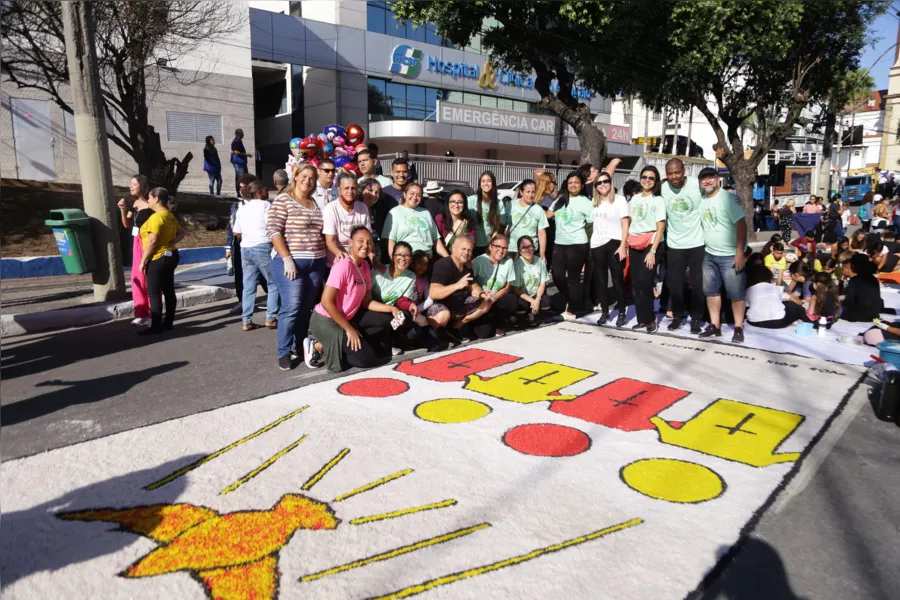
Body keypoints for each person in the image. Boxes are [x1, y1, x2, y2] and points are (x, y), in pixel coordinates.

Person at [305, 226, 408, 372]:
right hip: (328, 319)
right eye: (361, 241)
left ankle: (354, 343)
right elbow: (326, 302)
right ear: (351, 242)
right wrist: (348, 329)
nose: (365, 246)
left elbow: (367, 302)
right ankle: (318, 345)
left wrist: (392, 308)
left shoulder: (365, 265)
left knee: (387, 320)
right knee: (367, 360)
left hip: (348, 318)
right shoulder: (343, 265)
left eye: (369, 242)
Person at [267, 164, 327, 371]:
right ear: (296, 176)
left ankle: (299, 346)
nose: (307, 181)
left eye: (311, 178)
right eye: (304, 176)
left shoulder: (315, 203)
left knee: (305, 309)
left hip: (315, 263)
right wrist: (286, 258)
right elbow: (273, 231)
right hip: (290, 262)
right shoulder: (284, 199)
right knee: (291, 307)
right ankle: (284, 352)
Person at [697, 167, 747, 342]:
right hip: (709, 254)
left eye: (711, 178)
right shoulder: (702, 198)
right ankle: (715, 326)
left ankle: (739, 327)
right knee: (711, 292)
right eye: (704, 179)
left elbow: (741, 224)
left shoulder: (727, 198)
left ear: (718, 179)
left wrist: (740, 251)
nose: (707, 181)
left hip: (730, 255)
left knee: (736, 293)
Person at [662, 158, 706, 332]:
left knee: (697, 284)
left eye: (677, 172)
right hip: (674, 244)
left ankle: (696, 318)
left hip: (697, 242)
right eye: (670, 173)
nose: (674, 176)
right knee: (675, 284)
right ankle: (678, 316)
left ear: (684, 170)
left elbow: (713, 195)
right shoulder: (663, 187)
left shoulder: (696, 184)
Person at [426, 235, 495, 343]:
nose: (466, 253)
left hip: (459, 308)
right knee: (443, 315)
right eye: (463, 249)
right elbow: (433, 292)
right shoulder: (443, 264)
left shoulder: (467, 268)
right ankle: (436, 334)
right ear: (453, 248)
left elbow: (474, 288)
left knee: (487, 302)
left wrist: (483, 294)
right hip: (441, 309)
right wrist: (456, 285)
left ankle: (455, 328)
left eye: (469, 250)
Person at [546, 172, 594, 321]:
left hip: (578, 243)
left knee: (573, 278)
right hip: (560, 243)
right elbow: (547, 215)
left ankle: (572, 310)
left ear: (581, 185)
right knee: (558, 276)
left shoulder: (586, 202)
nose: (573, 185)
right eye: (570, 182)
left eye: (576, 182)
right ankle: (573, 300)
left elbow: (592, 224)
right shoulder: (561, 199)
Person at [138, 187, 184, 335]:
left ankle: (156, 326)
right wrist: (172, 242)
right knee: (168, 289)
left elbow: (152, 241)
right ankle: (168, 322)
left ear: (157, 199)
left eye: (150, 198)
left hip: (158, 257)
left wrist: (143, 260)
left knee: (153, 292)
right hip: (171, 255)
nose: (149, 200)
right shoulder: (169, 215)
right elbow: (182, 232)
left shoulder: (156, 217)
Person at [234, 180, 279, 330]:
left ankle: (246, 320)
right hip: (262, 245)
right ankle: (271, 318)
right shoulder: (266, 205)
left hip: (245, 248)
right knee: (273, 283)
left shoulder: (242, 208)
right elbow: (272, 226)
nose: (267, 192)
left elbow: (236, 231)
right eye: (266, 189)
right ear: (259, 191)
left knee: (248, 286)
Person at [627, 166, 666, 332]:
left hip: (652, 242)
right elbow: (629, 222)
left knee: (645, 280)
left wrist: (653, 251)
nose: (647, 180)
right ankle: (642, 318)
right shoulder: (634, 199)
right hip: (635, 241)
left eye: (651, 178)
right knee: (636, 283)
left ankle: (651, 319)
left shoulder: (658, 200)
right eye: (644, 177)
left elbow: (661, 227)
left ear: (655, 181)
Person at [589, 170, 630, 326]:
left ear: (611, 183)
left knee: (618, 279)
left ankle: (621, 312)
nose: (602, 185)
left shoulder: (619, 200)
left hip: (614, 243)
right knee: (601, 281)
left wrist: (622, 246)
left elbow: (625, 224)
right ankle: (605, 311)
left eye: (605, 181)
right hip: (597, 244)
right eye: (599, 183)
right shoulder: (594, 202)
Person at [117, 174, 152, 326]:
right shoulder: (134, 204)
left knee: (148, 278)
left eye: (133, 184)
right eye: (130, 184)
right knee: (136, 278)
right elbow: (127, 224)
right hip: (136, 243)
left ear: (141, 186)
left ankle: (152, 313)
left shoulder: (151, 206)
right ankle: (141, 312)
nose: (130, 187)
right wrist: (123, 210)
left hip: (147, 243)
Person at [371, 241, 418, 355]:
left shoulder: (411, 276)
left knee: (405, 316)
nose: (403, 258)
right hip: (373, 309)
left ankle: (392, 341)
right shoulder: (378, 272)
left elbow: (402, 300)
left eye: (406, 255)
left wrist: (410, 305)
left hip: (392, 311)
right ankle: (380, 343)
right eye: (399, 255)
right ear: (393, 256)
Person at [383, 183, 448, 259]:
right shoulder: (395, 212)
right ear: (404, 194)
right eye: (412, 194)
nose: (415, 197)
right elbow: (390, 240)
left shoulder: (426, 213)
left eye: (419, 195)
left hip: (426, 259)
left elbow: (435, 239)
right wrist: (394, 261)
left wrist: (448, 258)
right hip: (405, 260)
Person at [322, 173, 372, 269]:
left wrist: (374, 261)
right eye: (346, 188)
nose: (350, 191)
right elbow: (330, 241)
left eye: (353, 188)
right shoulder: (331, 208)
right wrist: (341, 255)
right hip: (337, 264)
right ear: (339, 190)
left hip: (359, 262)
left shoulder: (363, 207)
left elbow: (368, 238)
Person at [472, 233, 520, 332]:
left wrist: (493, 298)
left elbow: (507, 287)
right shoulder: (479, 261)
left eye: (504, 248)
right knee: (484, 333)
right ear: (490, 246)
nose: (501, 250)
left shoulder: (508, 261)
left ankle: (499, 320)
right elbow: (471, 283)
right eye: (497, 246)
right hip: (480, 299)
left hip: (496, 298)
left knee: (512, 300)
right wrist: (482, 296)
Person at [512, 235, 552, 326]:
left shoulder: (540, 262)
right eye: (523, 247)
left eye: (529, 246)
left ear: (534, 247)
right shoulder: (517, 264)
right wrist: (532, 301)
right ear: (519, 250)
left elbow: (542, 283)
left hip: (534, 294)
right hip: (522, 295)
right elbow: (516, 289)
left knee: (547, 302)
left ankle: (531, 313)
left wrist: (537, 299)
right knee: (521, 306)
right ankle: (516, 315)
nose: (527, 250)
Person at [505, 179, 549, 262]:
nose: (530, 195)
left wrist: (542, 253)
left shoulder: (538, 209)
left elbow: (542, 233)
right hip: (513, 249)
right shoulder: (511, 205)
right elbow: (502, 224)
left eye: (533, 192)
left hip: (531, 251)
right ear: (521, 192)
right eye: (528, 192)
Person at [468, 171, 504, 256]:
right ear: (479, 184)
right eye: (483, 181)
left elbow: (496, 228)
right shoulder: (471, 200)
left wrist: (491, 244)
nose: (486, 183)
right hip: (471, 245)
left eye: (489, 181)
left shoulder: (499, 203)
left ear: (493, 183)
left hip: (488, 246)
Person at [839, 253, 881, 322]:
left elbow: (849, 301)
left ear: (853, 266)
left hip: (858, 316)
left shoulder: (855, 280)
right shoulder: (874, 279)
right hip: (874, 315)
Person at [536, 171, 558, 264]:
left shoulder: (535, 198)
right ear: (548, 184)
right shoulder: (549, 200)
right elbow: (549, 215)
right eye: (554, 182)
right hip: (548, 235)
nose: (556, 185)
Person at [230, 129, 250, 196]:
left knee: (244, 177)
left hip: (242, 161)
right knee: (240, 177)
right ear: (238, 134)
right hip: (238, 162)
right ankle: (239, 193)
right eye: (242, 134)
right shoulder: (235, 142)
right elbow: (236, 152)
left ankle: (243, 191)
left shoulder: (239, 141)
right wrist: (246, 154)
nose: (243, 135)